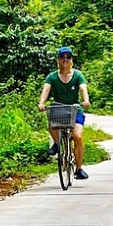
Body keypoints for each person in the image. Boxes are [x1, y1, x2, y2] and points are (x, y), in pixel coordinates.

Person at [38, 46, 92, 179]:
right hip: (59, 109)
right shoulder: (52, 76)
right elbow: (46, 90)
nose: (65, 59)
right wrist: (41, 103)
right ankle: (57, 144)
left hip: (75, 109)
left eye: (68, 57)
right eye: (62, 57)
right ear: (58, 60)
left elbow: (83, 89)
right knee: (51, 123)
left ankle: (78, 169)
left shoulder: (78, 75)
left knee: (78, 137)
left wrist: (86, 100)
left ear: (71, 60)